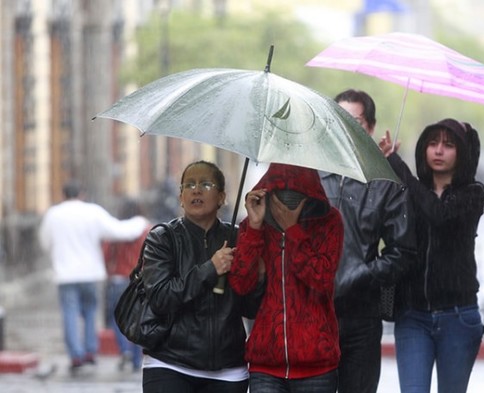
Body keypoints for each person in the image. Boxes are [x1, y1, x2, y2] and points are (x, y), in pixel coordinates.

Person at [380, 118, 484, 393]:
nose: (439, 150)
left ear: (461, 153)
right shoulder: (411, 192)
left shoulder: (474, 194)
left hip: (458, 317)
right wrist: (384, 166)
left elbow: (439, 215)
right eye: (433, 143)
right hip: (413, 317)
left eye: (448, 145)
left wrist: (400, 170)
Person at [319, 89, 417, 393]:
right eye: (339, 119)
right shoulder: (310, 174)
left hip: (361, 316)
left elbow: (403, 250)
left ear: (371, 128)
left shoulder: (385, 183)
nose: (347, 127)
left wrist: (360, 275)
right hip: (312, 315)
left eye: (357, 121)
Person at [140, 160, 264, 393]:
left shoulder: (240, 239)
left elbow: (251, 308)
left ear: (221, 197)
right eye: (189, 185)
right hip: (169, 364)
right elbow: (160, 298)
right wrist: (210, 269)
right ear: (180, 197)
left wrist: (259, 275)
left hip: (228, 370)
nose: (196, 190)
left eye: (206, 184)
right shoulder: (163, 238)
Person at [229, 163, 343, 393]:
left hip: (316, 364)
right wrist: (253, 227)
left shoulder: (329, 221)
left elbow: (321, 279)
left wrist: (293, 231)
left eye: (295, 195)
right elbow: (241, 284)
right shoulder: (254, 226)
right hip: (265, 363)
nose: (286, 201)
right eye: (280, 194)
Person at [39, 181, 149, 375]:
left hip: (65, 274)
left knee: (70, 313)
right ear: (81, 194)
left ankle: (76, 355)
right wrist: (140, 222)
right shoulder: (93, 212)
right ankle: (90, 351)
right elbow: (119, 231)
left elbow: (45, 242)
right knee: (90, 312)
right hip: (90, 273)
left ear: (63, 195)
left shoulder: (53, 215)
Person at [102, 198, 152, 371]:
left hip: (117, 280)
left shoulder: (116, 231)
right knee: (138, 320)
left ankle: (125, 349)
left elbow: (106, 254)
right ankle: (137, 359)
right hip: (140, 279)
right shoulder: (148, 230)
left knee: (116, 319)